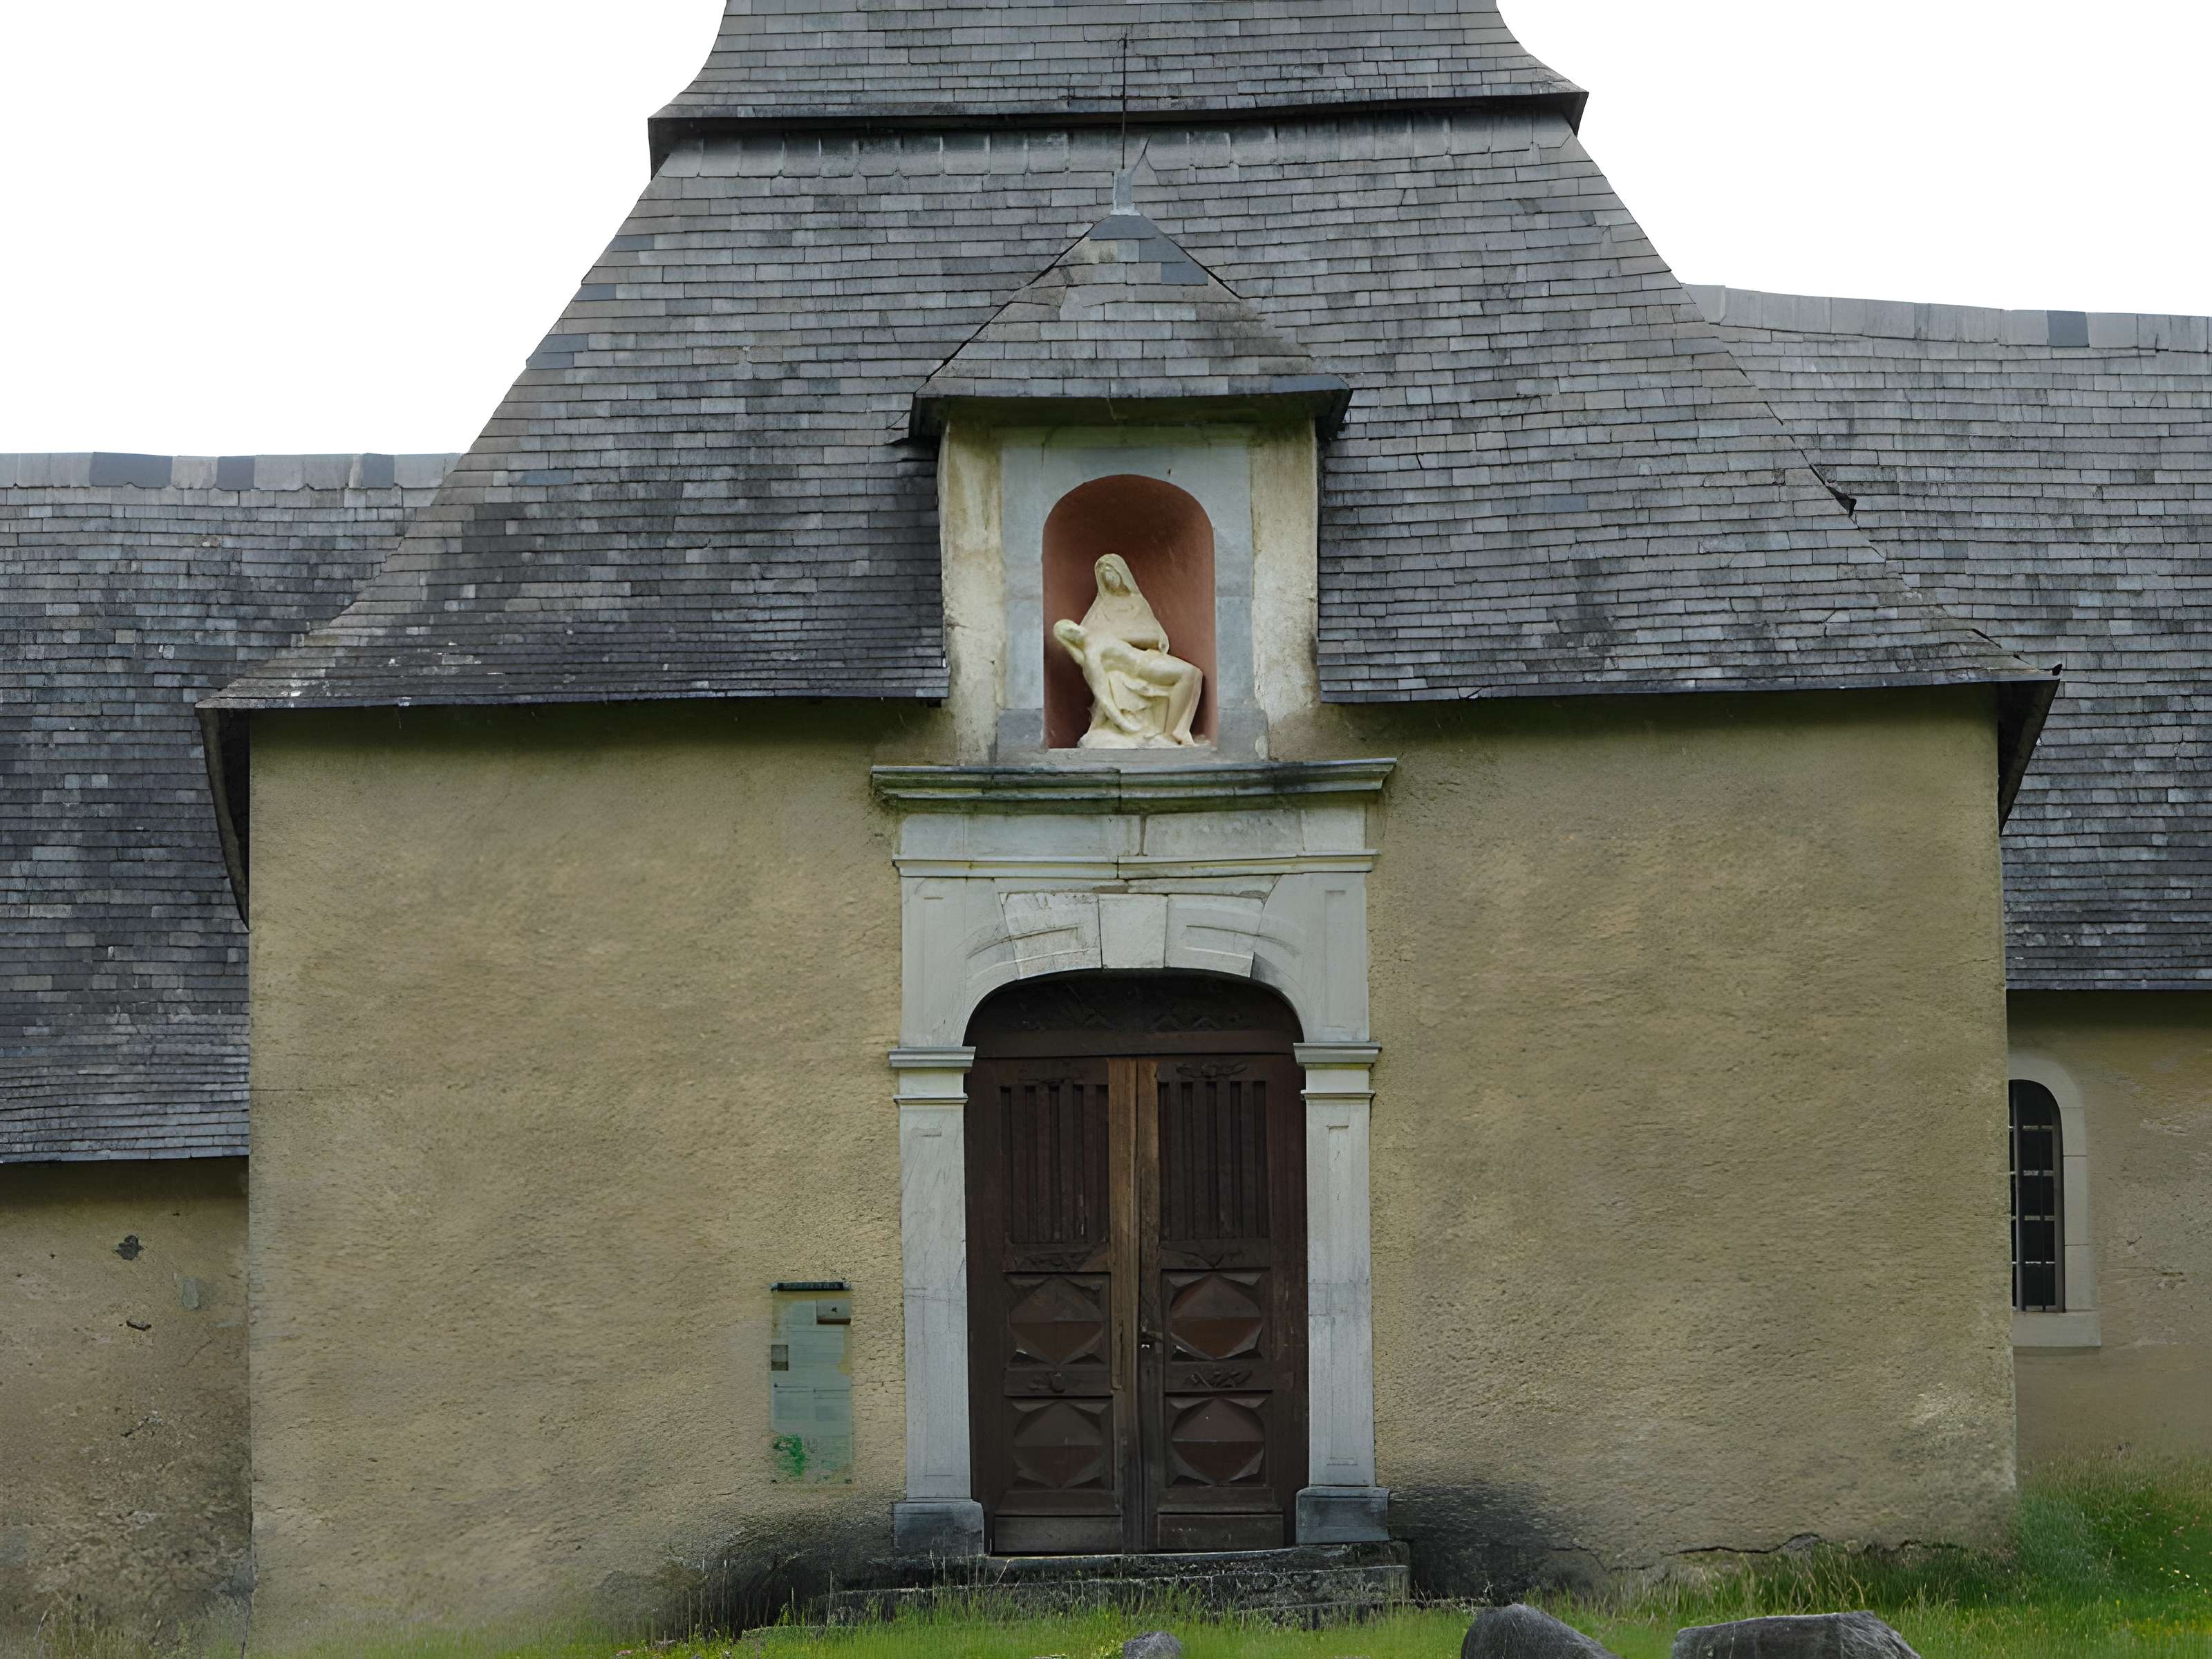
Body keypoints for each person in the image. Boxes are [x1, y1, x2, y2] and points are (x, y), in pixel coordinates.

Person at [1051, 554, 1204, 748]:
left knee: (1193, 674)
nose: (1108, 576)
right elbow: (1101, 689)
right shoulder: (1094, 636)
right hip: (1128, 670)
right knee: (1117, 678)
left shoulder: (1137, 603)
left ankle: (1177, 731)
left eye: (1112, 571)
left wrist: (1120, 637)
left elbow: (1156, 637)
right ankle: (1170, 733)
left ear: (1122, 574)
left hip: (1145, 658)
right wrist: (1125, 725)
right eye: (1103, 573)